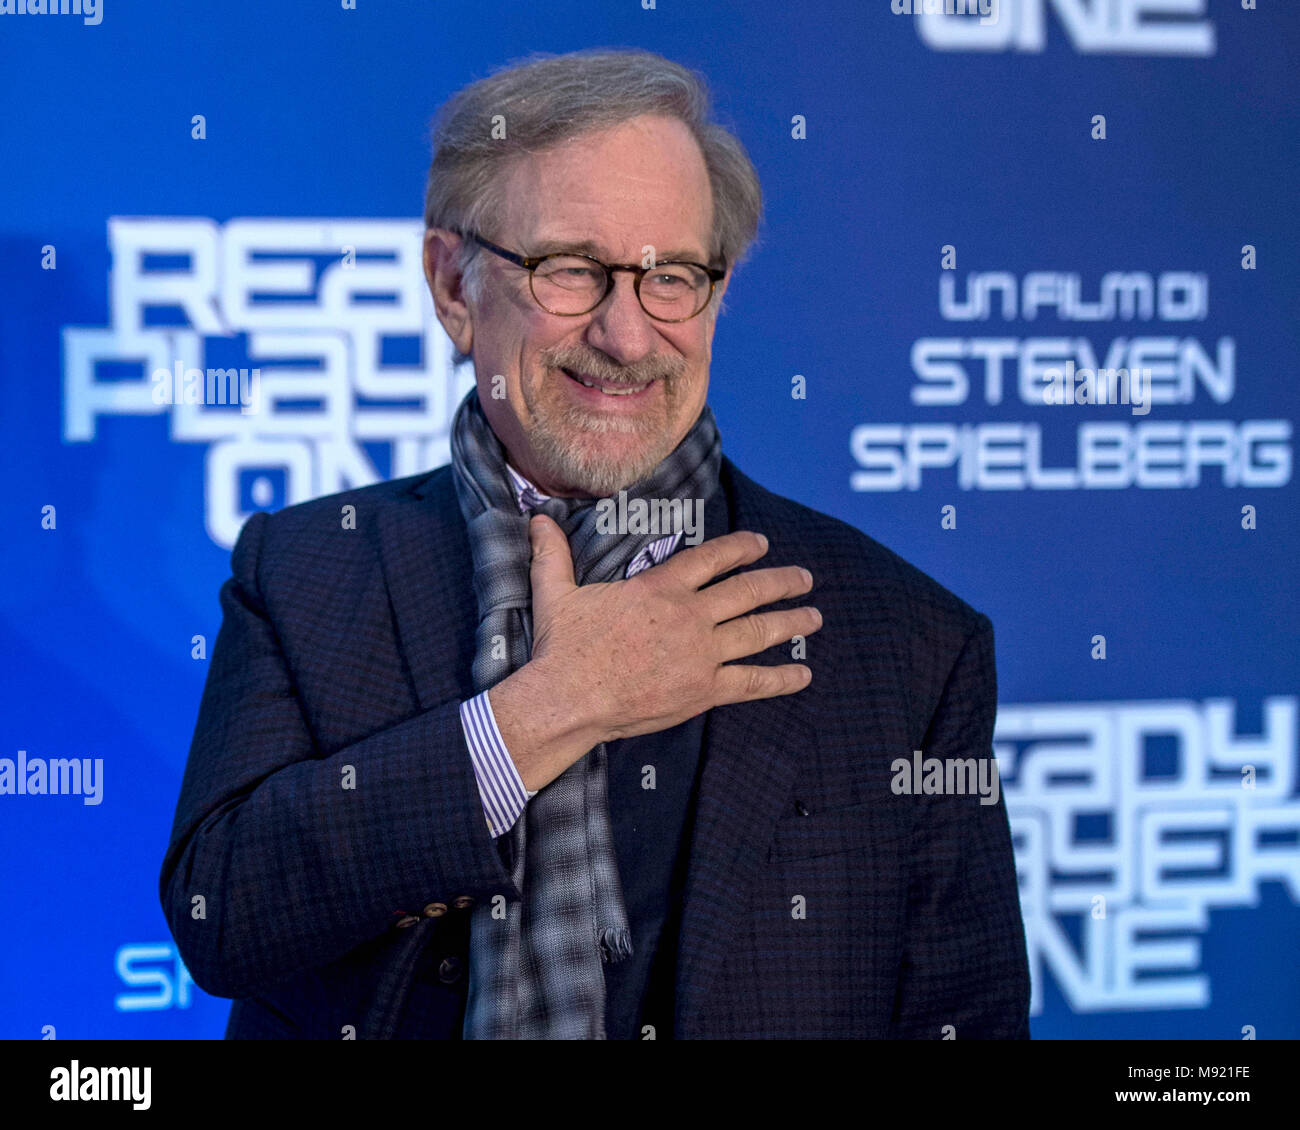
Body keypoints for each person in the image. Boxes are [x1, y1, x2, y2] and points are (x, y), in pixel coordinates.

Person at [159, 47, 1030, 1040]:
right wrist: (550, 709)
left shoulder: (907, 638)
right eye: (570, 270)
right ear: (453, 285)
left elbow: (966, 1021)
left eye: (672, 277)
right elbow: (218, 915)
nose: (627, 336)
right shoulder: (309, 570)